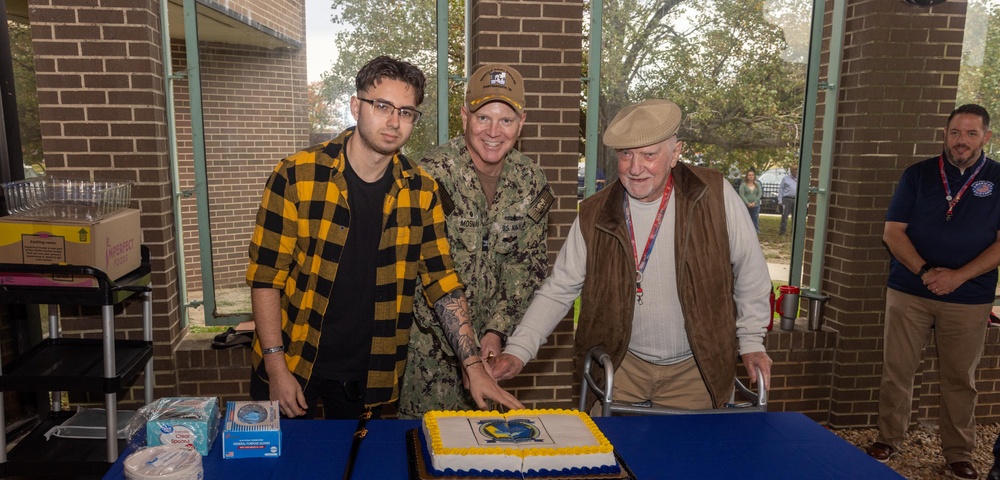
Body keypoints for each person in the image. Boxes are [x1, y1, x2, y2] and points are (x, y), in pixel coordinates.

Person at [245, 56, 522, 420]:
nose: (394, 122)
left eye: (406, 112)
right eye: (382, 106)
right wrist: (277, 369)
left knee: (360, 473)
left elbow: (442, 283)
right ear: (356, 106)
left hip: (371, 376)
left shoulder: (421, 190)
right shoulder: (297, 175)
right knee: (286, 475)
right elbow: (266, 279)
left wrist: (472, 367)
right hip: (295, 364)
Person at [492, 99, 773, 411]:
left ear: (675, 153)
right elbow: (559, 288)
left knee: (687, 459)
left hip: (697, 372)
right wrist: (518, 350)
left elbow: (750, 271)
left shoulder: (714, 194)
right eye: (626, 154)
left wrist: (750, 340)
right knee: (609, 455)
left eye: (648, 155)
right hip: (620, 367)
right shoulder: (595, 212)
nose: (635, 168)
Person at [397, 64, 552, 418]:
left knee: (486, 458)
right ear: (464, 116)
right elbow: (419, 273)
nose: (494, 131)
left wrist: (496, 331)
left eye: (506, 120)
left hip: (490, 356)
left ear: (522, 121)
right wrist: (465, 353)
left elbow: (525, 267)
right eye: (483, 118)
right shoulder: (428, 175)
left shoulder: (531, 181)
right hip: (428, 356)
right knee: (425, 457)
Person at [866, 104, 1000, 480]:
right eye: (956, 132)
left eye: (972, 133)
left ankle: (958, 454)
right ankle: (889, 439)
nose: (962, 140)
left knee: (960, 378)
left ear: (986, 137)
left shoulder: (998, 179)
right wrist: (927, 273)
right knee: (898, 370)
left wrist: (958, 277)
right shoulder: (918, 175)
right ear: (945, 134)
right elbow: (892, 233)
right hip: (911, 290)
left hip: (970, 297)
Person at [777, 165, 797, 235]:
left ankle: (794, 233)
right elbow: (781, 189)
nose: (796, 171)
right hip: (786, 199)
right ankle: (782, 232)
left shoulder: (800, 179)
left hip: (796, 200)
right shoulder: (785, 179)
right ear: (791, 170)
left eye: (797, 169)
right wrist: (780, 201)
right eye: (794, 169)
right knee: (784, 217)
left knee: (795, 217)